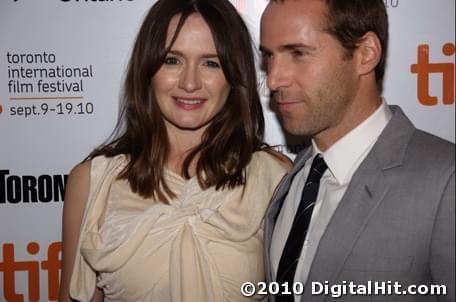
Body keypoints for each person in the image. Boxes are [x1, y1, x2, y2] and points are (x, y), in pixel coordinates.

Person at [58, 0, 290, 301]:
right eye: (172, 60)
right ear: (147, 69)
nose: (190, 82)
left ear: (234, 75)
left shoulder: (274, 178)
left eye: (211, 63)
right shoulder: (92, 183)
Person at [260, 0, 455, 301]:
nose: (273, 79)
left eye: (298, 53)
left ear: (365, 54)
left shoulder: (446, 181)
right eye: (269, 57)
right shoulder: (293, 177)